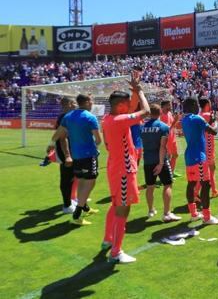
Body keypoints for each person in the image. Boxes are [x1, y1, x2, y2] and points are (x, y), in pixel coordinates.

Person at [100, 76, 150, 263]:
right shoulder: (120, 120)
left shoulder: (108, 118)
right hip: (124, 170)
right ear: (120, 105)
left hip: (115, 168)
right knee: (123, 209)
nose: (131, 106)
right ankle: (116, 252)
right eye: (127, 103)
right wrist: (142, 92)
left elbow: (131, 108)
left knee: (115, 205)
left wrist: (135, 90)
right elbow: (145, 111)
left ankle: (107, 240)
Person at [48, 94, 102, 226]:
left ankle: (84, 207)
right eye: (92, 101)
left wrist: (50, 143)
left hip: (76, 156)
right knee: (90, 181)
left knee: (82, 180)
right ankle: (77, 214)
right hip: (88, 155)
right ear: (88, 102)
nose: (93, 103)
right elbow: (99, 140)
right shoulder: (90, 117)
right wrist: (93, 146)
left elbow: (59, 134)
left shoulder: (68, 117)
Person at [181, 97, 218, 225]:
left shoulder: (184, 120)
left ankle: (193, 214)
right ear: (193, 105)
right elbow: (214, 131)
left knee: (191, 184)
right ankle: (207, 217)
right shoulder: (197, 118)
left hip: (189, 157)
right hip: (199, 157)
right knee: (205, 185)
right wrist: (215, 121)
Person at [140, 104, 181, 222]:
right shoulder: (163, 127)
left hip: (147, 160)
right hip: (160, 160)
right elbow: (162, 147)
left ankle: (151, 210)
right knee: (168, 184)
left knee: (150, 186)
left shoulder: (142, 127)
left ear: (149, 113)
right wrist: (161, 163)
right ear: (160, 113)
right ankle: (167, 213)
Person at [53, 97, 78, 214]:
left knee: (71, 176)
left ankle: (70, 200)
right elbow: (63, 138)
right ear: (68, 104)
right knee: (66, 178)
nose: (75, 105)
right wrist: (68, 155)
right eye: (73, 103)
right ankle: (67, 205)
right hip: (65, 152)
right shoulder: (64, 117)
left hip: (70, 151)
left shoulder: (66, 116)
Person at [198, 97, 218, 199]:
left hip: (206, 146)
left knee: (211, 169)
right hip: (208, 146)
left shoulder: (200, 115)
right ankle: (196, 193)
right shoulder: (206, 115)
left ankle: (214, 190)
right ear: (207, 104)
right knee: (206, 171)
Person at [160, 100, 180, 177]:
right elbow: (166, 129)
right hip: (166, 139)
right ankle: (166, 175)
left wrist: (176, 120)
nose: (171, 106)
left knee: (175, 155)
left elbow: (173, 125)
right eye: (169, 105)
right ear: (164, 106)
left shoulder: (169, 113)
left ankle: (171, 172)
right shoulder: (161, 115)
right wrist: (175, 121)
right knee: (167, 158)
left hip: (172, 138)